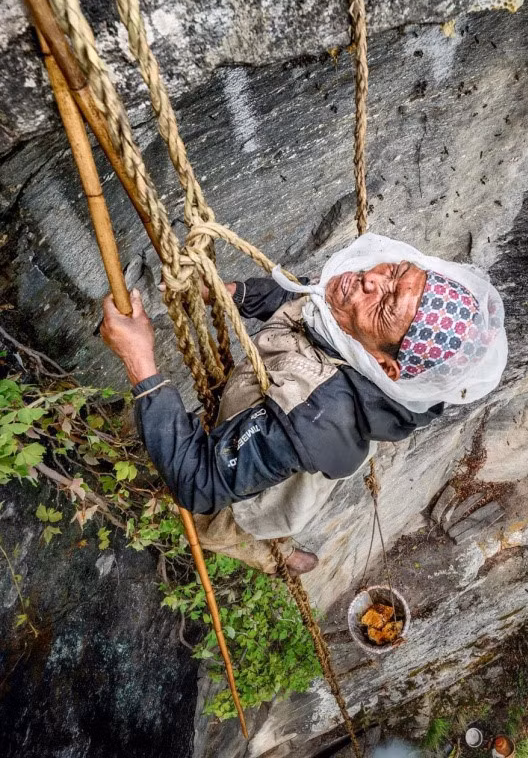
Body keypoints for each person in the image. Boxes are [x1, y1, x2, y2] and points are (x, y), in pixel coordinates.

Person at [101, 233, 507, 576]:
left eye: (387, 304)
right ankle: (282, 545)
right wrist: (231, 294)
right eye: (396, 271)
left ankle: (276, 558)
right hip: (280, 438)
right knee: (267, 483)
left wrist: (140, 362)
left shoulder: (317, 417)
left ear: (385, 366)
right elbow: (302, 299)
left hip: (273, 472)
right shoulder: (352, 315)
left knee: (222, 528)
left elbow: (199, 482)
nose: (371, 278)